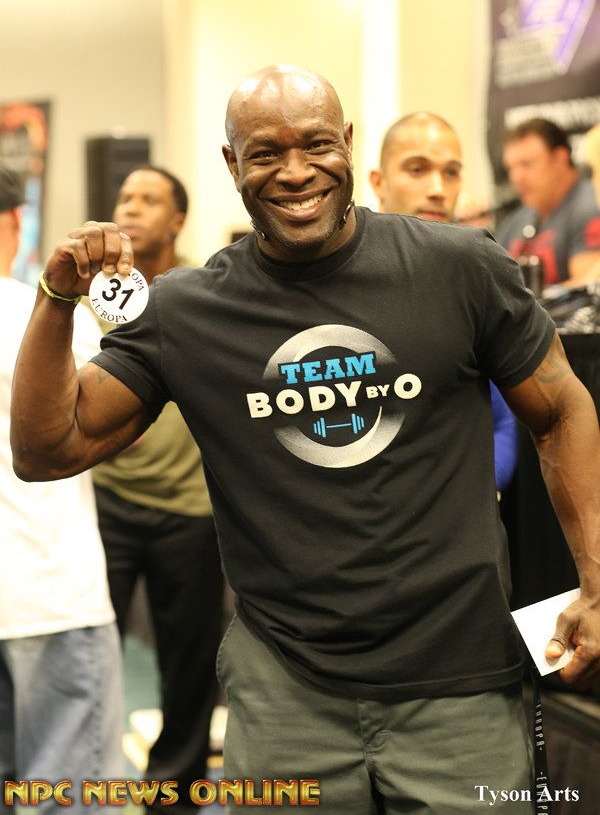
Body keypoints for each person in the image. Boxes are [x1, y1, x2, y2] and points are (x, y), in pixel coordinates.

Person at [10, 66, 600, 815]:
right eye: (265, 153)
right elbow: (47, 449)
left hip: (460, 684)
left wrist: (597, 583)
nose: (295, 172)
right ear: (231, 164)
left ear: (347, 143)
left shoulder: (459, 268)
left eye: (317, 145)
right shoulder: (188, 310)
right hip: (286, 695)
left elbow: (561, 409)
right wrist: (56, 296)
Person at [91, 165, 223, 810]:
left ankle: (175, 794)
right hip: (107, 502)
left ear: (177, 221)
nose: (132, 209)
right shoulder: (92, 297)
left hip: (190, 510)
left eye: (149, 200)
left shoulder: (202, 293)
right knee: (91, 655)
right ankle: (85, 782)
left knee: (189, 666)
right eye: (125, 198)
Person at [0, 166, 123, 807]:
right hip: (48, 594)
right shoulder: (38, 313)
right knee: (68, 796)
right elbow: (115, 423)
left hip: (31, 596)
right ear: (17, 222)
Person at [369, 112, 516, 491]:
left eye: (451, 173)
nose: (438, 188)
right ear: (379, 181)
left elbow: (504, 421)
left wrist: (475, 494)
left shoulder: (476, 279)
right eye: (417, 169)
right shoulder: (344, 282)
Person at [497, 118, 600, 287]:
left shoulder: (591, 206)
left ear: (560, 159)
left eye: (527, 164)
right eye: (511, 168)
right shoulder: (517, 220)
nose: (516, 177)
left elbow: (587, 289)